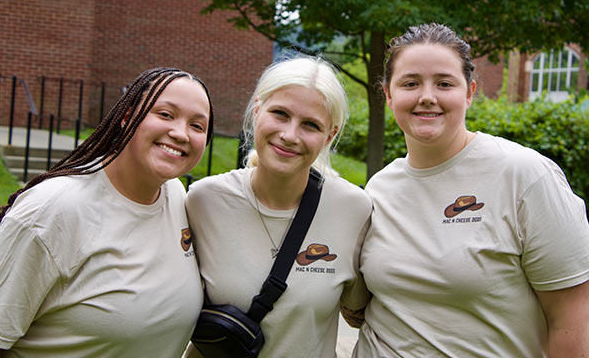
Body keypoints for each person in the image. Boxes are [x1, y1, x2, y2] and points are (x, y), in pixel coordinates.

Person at [353, 23, 589, 357]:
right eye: (410, 83)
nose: (427, 97)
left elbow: (571, 316)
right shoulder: (379, 188)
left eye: (444, 83)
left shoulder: (525, 176)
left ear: (470, 92)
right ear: (389, 95)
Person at [0, 67, 214, 358]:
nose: (180, 133)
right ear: (126, 116)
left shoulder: (175, 194)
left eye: (197, 126)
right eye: (165, 114)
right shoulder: (51, 210)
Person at [185, 56, 372, 357]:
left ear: (330, 135)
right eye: (280, 114)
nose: (290, 135)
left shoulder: (353, 209)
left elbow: (362, 311)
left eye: (310, 125)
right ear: (258, 110)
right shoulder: (203, 200)